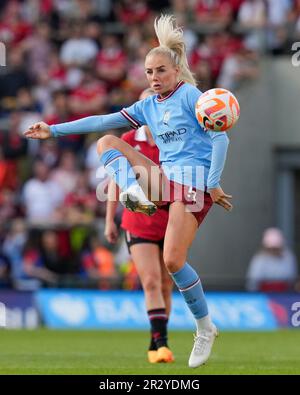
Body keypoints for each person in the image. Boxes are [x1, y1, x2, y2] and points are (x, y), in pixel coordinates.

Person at [24, 15, 232, 368]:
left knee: (172, 261)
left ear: (176, 71)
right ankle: (133, 193)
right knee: (108, 141)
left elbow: (221, 137)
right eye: (149, 72)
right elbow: (101, 121)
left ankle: (205, 327)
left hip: (195, 184)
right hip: (166, 181)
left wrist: (212, 182)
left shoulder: (191, 97)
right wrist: (54, 130)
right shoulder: (148, 105)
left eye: (161, 71)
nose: (154, 78)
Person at [105, 87, 174, 364]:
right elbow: (114, 180)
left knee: (167, 285)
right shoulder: (128, 140)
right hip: (139, 222)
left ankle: (155, 339)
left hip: (170, 222)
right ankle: (161, 344)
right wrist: (110, 218)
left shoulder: (174, 140)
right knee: (151, 281)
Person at [246, 227, 298, 292]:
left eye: (276, 248)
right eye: (270, 248)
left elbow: (291, 280)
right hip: (263, 295)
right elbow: (253, 282)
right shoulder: (259, 259)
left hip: (284, 295)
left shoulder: (288, 257)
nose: (273, 251)